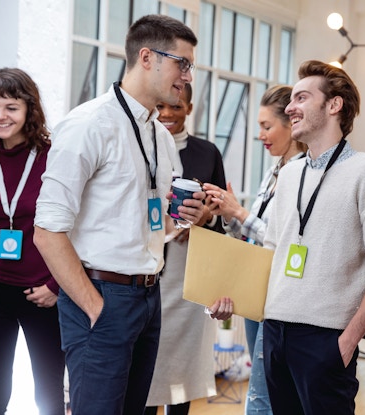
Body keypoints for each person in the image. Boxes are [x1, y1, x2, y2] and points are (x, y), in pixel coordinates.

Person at [33, 15, 231, 414]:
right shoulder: (88, 124)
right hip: (102, 295)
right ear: (147, 57)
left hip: (148, 296)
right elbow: (47, 231)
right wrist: (95, 308)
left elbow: (153, 221)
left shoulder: (159, 135)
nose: (188, 77)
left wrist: (186, 219)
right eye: (183, 64)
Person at [259, 60, 365, 414]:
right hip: (276, 331)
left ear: (334, 105)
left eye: (301, 98)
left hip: (326, 338)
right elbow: (270, 250)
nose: (290, 108)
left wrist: (348, 339)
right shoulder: (290, 173)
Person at [204, 84, 307, 415]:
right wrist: (229, 215)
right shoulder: (275, 170)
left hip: (278, 298)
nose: (261, 135)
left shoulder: (302, 175)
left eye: (267, 126)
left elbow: (284, 243)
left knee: (261, 396)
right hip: (256, 293)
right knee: (260, 392)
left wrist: (240, 213)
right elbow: (256, 237)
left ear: (291, 125)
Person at [0, 67, 65, 414]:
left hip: (43, 293)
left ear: (29, 109)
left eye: (10, 107)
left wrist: (56, 285)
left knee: (47, 391)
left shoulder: (55, 160)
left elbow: (74, 228)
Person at [144, 82, 227, 415]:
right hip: (148, 272)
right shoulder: (143, 146)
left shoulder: (207, 153)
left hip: (189, 276)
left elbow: (222, 219)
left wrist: (204, 218)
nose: (167, 114)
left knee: (181, 371)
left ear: (189, 110)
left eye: (176, 107)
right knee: (145, 374)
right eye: (161, 106)